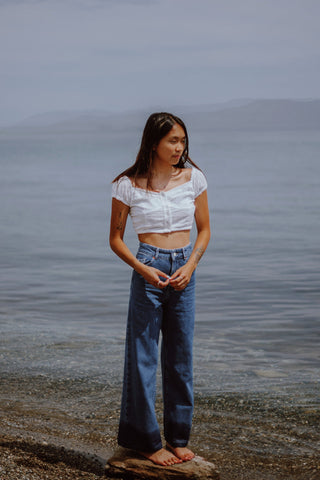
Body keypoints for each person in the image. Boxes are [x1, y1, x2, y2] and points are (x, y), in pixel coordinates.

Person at [109, 112, 210, 467]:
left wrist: (191, 265)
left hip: (184, 270)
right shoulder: (127, 184)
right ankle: (146, 441)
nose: (180, 147)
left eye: (183, 141)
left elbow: (205, 231)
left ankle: (179, 438)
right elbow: (116, 239)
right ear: (154, 143)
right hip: (148, 269)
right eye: (173, 141)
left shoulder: (194, 178)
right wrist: (142, 268)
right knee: (143, 359)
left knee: (181, 359)